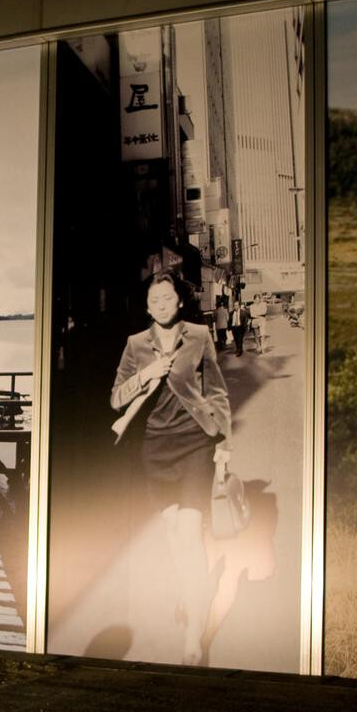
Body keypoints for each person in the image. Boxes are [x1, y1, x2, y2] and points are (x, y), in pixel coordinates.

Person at [112, 272, 233, 664]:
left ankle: (194, 634)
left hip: (195, 441)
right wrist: (146, 375)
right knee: (173, 535)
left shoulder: (198, 336)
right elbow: (115, 399)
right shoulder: (135, 345)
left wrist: (224, 444)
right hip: (155, 448)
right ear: (147, 307)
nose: (162, 304)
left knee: (189, 533)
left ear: (179, 301)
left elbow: (216, 392)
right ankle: (193, 589)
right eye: (155, 300)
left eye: (168, 298)